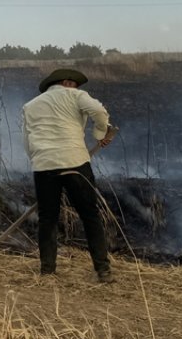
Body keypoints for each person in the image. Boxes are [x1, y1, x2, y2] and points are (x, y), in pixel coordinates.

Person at [22, 67, 118, 283]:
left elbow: (27, 142)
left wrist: (40, 160)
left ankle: (47, 272)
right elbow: (99, 111)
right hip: (75, 161)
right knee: (90, 216)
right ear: (66, 82)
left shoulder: (30, 106)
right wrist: (100, 133)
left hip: (43, 165)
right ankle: (103, 270)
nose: (76, 87)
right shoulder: (76, 95)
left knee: (48, 218)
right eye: (74, 84)